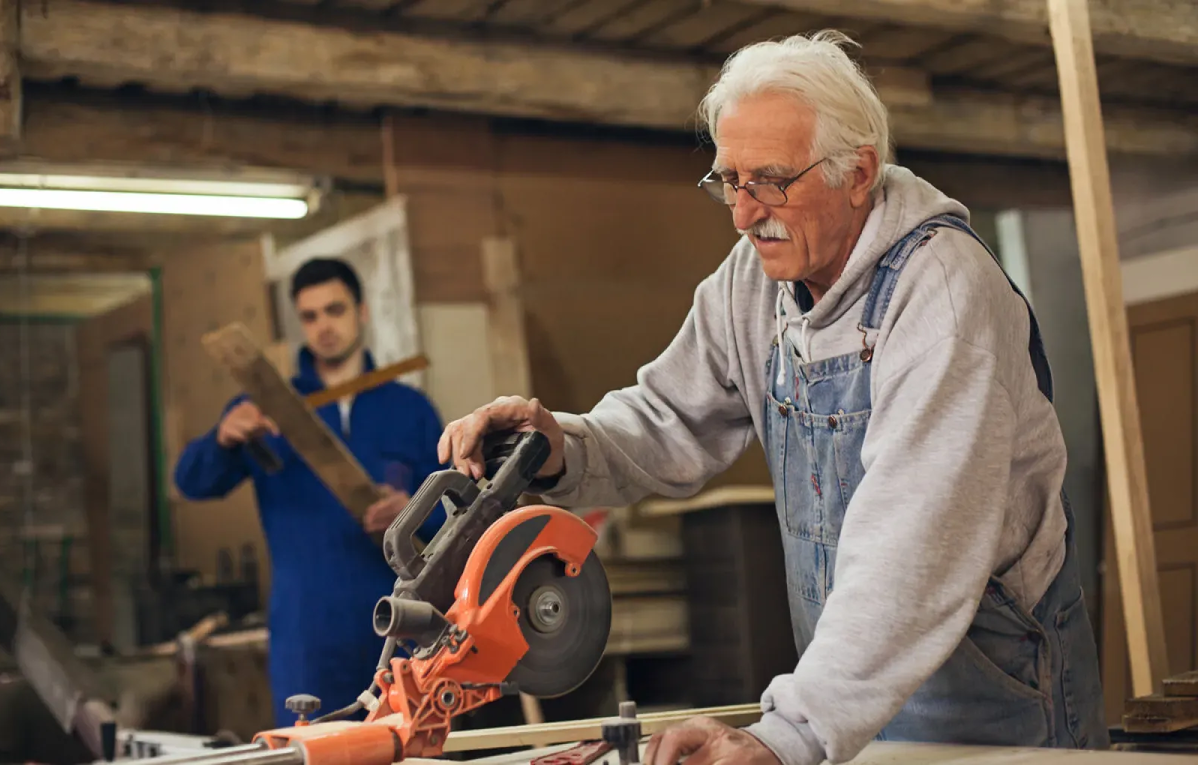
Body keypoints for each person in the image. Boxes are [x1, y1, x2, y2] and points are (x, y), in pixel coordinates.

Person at [438, 30, 1109, 765]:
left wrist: (790, 731)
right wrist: (561, 447)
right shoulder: (754, 282)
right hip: (845, 684)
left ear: (859, 173)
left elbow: (913, 546)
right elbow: (669, 418)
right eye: (729, 180)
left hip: (989, 694)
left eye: (772, 180)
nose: (743, 212)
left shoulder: (942, 296)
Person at [174, 256, 447, 728]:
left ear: (362, 312)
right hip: (307, 632)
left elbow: (457, 510)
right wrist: (222, 438)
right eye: (310, 316)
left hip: (401, 622)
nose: (323, 326)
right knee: (312, 751)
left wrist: (413, 512)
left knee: (411, 748)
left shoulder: (411, 409)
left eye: (335, 310)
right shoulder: (266, 410)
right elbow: (191, 482)